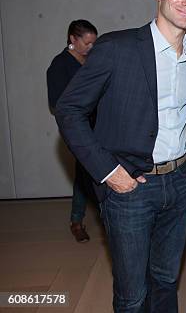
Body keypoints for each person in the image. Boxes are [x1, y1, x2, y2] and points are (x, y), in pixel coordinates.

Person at [54, 0, 186, 313]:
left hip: (180, 185)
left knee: (167, 281)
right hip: (132, 188)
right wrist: (108, 172)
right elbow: (69, 111)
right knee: (132, 294)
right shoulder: (116, 48)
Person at [47, 19, 98, 243]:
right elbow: (58, 103)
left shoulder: (92, 61)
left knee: (85, 172)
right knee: (90, 172)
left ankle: (77, 220)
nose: (91, 47)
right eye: (87, 43)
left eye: (94, 43)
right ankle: (88, 219)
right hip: (76, 128)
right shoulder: (60, 65)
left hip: (97, 125)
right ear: (72, 40)